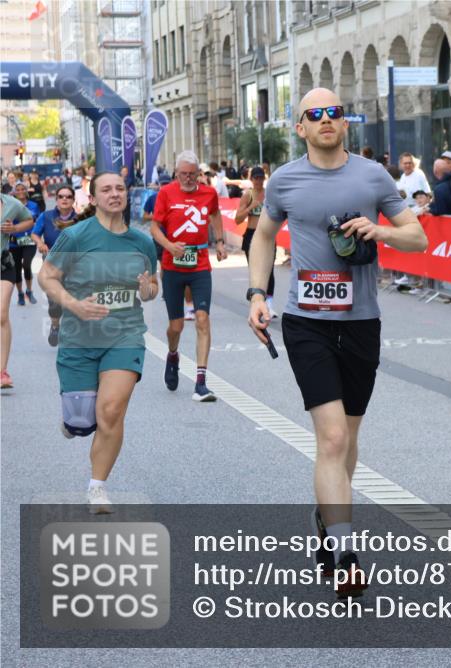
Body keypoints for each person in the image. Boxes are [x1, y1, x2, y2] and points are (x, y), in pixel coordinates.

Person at [246, 88, 427, 595]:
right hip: (307, 322)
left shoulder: (373, 176)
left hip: (361, 320)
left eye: (335, 112)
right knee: (331, 438)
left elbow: (418, 238)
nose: (326, 119)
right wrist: (258, 293)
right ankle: (346, 553)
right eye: (315, 114)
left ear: (345, 123)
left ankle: (328, 520)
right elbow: (264, 236)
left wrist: (379, 231)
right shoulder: (285, 179)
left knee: (347, 437)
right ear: (300, 127)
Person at [37, 171, 159, 514]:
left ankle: (97, 487)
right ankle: (73, 421)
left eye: (120, 188)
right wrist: (73, 304)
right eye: (106, 189)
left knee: (111, 410)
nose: (114, 193)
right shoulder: (75, 236)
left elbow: (152, 288)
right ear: (92, 199)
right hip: (79, 338)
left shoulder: (142, 242)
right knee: (80, 422)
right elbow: (47, 276)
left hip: (125, 335)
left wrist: (147, 289)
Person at [150, 150, 227, 402]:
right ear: (176, 173)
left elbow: (215, 214)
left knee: (202, 319)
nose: (188, 178)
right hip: (173, 266)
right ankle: (173, 355)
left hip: (200, 265)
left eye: (192, 174)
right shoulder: (166, 193)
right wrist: (169, 246)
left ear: (198, 174)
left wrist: (220, 241)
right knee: (176, 326)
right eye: (183, 174)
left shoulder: (209, 193)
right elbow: (154, 227)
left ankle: (201, 382)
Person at [32, 185, 80, 346]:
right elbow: (35, 234)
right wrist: (40, 243)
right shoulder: (46, 216)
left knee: (73, 298)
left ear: (73, 200)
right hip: (51, 265)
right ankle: (55, 326)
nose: (64, 199)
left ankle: (73, 333)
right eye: (61, 196)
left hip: (74, 265)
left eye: (68, 196)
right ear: (56, 199)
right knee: (54, 302)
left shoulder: (81, 219)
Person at [0, 192, 37, 389]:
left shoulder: (11, 203)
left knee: (2, 315)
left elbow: (29, 220)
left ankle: (2, 371)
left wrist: (13, 229)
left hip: (3, 264)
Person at [235, 166, 277, 318]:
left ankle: (269, 304)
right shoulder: (248, 195)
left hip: (267, 234)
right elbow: (237, 219)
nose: (258, 181)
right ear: (251, 179)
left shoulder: (269, 194)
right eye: (256, 178)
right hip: (251, 234)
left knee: (269, 269)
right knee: (255, 271)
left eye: (261, 178)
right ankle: (256, 303)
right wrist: (250, 208)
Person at [10, 182, 40, 306]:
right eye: (18, 189)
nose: (21, 191)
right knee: (17, 269)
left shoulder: (34, 205)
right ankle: (20, 293)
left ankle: (29, 290)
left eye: (23, 189)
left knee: (26, 264)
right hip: (14, 242)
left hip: (29, 240)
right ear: (14, 192)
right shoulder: (10, 206)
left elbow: (38, 220)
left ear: (26, 191)